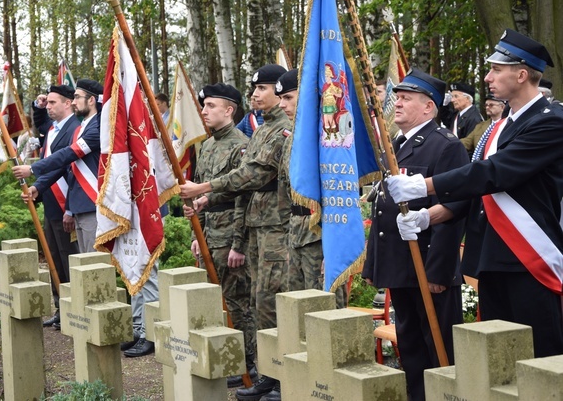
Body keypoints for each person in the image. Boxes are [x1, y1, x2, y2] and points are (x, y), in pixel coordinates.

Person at [387, 29, 563, 359]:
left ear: (521, 74)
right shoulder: (500, 126)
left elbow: (494, 174)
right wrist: (429, 216)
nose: (487, 77)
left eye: (496, 69)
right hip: (493, 257)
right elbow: (476, 193)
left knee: (541, 360)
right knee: (500, 361)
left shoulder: (551, 122)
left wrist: (424, 186)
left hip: (529, 259)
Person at [180, 64, 290, 401]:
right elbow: (244, 189)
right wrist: (204, 201)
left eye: (265, 88)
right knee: (253, 301)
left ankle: (268, 372)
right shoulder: (260, 131)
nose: (256, 94)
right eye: (254, 89)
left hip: (272, 227)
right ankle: (265, 373)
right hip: (247, 228)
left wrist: (206, 191)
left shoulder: (278, 131)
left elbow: (250, 180)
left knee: (261, 303)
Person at [362, 68, 468, 401]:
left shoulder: (444, 146)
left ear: (429, 107)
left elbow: (456, 207)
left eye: (406, 98)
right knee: (410, 344)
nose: (398, 103)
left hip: (427, 265)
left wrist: (439, 270)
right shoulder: (397, 143)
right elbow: (383, 205)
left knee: (438, 349)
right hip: (401, 264)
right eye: (398, 97)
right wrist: (376, 264)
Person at [183, 82, 256, 387]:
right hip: (208, 234)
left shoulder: (241, 144)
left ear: (229, 110)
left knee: (237, 303)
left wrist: (239, 244)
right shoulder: (209, 145)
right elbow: (199, 194)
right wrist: (195, 235)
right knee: (215, 301)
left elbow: (243, 197)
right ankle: (226, 359)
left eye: (211, 106)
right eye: (204, 106)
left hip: (229, 237)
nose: (204, 111)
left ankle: (248, 365)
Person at [276, 70, 346, 313]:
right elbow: (285, 192)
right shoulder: (291, 138)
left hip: (321, 235)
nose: (282, 104)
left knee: (325, 307)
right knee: (298, 308)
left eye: (288, 97)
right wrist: (288, 236)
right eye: (281, 99)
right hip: (297, 233)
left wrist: (335, 245)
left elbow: (340, 192)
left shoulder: (329, 135)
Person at [16, 84, 81, 330]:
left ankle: (74, 308)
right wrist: (37, 106)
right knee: (54, 255)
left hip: (68, 201)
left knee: (69, 258)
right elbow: (40, 123)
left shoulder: (75, 129)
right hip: (51, 201)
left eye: (54, 102)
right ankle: (60, 307)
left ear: (68, 103)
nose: (49, 106)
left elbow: (68, 168)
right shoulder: (52, 128)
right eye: (48, 102)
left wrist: (70, 209)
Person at [15, 79, 103, 255]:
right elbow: (65, 166)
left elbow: (68, 154)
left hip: (91, 202)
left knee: (93, 265)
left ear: (91, 100)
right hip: (80, 205)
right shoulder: (83, 127)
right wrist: (38, 186)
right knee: (82, 266)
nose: (74, 101)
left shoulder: (97, 127)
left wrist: (33, 169)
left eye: (77, 97)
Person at [461, 94, 505, 160]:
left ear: (502, 107)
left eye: (491, 105)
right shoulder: (480, 126)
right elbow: (466, 142)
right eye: (486, 105)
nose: (487, 107)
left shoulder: (507, 124)